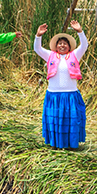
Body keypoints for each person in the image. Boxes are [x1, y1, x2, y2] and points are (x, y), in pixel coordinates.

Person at [33, 21, 88, 150]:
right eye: (60, 43)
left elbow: (84, 45)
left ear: (69, 46)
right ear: (56, 46)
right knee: (55, 120)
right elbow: (37, 49)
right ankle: (56, 144)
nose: (62, 45)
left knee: (71, 121)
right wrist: (38, 36)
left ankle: (70, 144)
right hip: (54, 95)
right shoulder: (50, 55)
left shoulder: (74, 55)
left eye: (65, 43)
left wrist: (80, 31)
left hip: (70, 95)